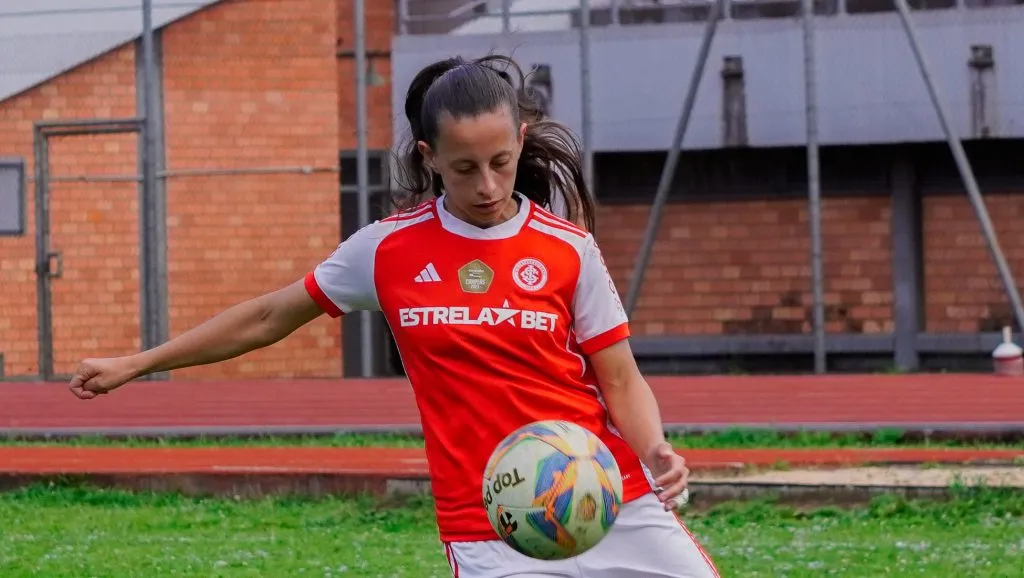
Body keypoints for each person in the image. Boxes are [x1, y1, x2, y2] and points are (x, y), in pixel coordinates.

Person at [68, 54, 719, 578]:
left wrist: (656, 448)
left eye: (500, 162)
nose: (488, 187)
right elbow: (267, 316)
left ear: (520, 140)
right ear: (429, 156)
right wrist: (138, 363)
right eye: (465, 169)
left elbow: (620, 378)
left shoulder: (567, 249)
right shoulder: (385, 251)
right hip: (493, 519)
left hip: (610, 495)